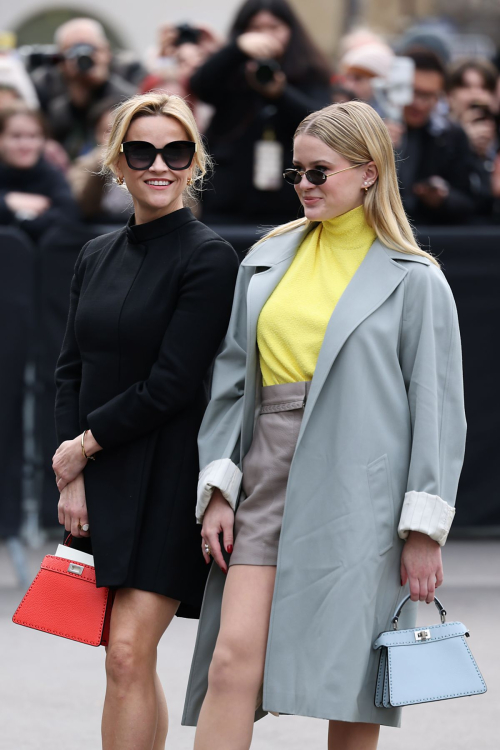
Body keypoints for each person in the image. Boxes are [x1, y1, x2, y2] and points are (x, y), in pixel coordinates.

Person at [182, 101, 466, 749]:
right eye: (297, 174)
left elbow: (439, 410)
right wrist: (220, 487)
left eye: (319, 171)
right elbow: (231, 380)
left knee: (352, 687)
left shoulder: (417, 279)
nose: (305, 185)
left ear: (368, 173)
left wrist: (424, 529)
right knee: (231, 666)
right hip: (266, 469)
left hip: (362, 488)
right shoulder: (268, 256)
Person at [51, 91, 239, 750]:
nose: (159, 165)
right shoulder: (94, 255)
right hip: (99, 475)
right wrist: (71, 475)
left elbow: (172, 384)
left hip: (167, 478)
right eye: (142, 151)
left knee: (127, 653)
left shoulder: (210, 257)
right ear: (118, 162)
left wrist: (84, 445)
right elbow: (69, 369)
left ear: (194, 162)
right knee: (124, 659)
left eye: (175, 151)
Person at [189, 0, 332, 225]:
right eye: (255, 28)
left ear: (291, 31)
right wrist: (236, 49)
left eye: (274, 28)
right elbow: (199, 86)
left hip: (287, 201)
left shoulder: (309, 71)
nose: (265, 36)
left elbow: (321, 121)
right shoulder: (231, 68)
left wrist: (280, 93)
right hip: (227, 199)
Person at [392, 49, 477, 225]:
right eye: (413, 92)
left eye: (429, 95)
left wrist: (442, 199)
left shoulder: (451, 136)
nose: (419, 103)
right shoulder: (371, 129)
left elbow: (469, 201)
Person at [32, 18, 136, 160]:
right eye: (73, 51)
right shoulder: (45, 86)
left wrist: (103, 83)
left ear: (106, 52)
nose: (83, 56)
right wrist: (74, 101)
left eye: (91, 49)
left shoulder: (129, 78)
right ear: (60, 59)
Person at [0, 105, 78, 240]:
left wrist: (21, 219)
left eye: (33, 136)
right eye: (16, 136)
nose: (25, 145)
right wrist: (8, 201)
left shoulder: (52, 175)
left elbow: (69, 217)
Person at [68, 96, 133, 222]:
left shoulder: (148, 162)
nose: (117, 139)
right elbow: (82, 206)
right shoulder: (84, 165)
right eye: (109, 131)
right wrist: (101, 163)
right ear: (97, 135)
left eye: (122, 131)